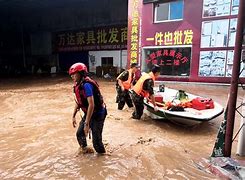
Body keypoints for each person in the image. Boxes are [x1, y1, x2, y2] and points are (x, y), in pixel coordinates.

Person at [69, 62, 107, 154]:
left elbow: (91, 104)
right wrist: (73, 116)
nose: (72, 77)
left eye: (74, 74)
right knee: (80, 134)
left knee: (96, 143)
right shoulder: (78, 85)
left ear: (81, 73)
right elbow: (79, 102)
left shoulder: (86, 85)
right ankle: (85, 151)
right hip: (89, 113)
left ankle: (102, 157)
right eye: (71, 75)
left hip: (98, 114)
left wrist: (86, 124)